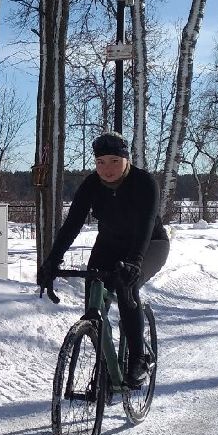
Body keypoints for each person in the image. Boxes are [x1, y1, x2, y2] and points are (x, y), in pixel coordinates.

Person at [37, 131, 170, 388]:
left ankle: (138, 360)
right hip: (109, 244)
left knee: (125, 286)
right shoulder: (91, 185)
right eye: (100, 163)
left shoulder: (144, 183)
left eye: (113, 161)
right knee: (94, 298)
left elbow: (144, 227)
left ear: (126, 160)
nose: (106, 169)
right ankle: (105, 361)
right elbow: (72, 225)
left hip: (149, 244)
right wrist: (52, 261)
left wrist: (135, 262)